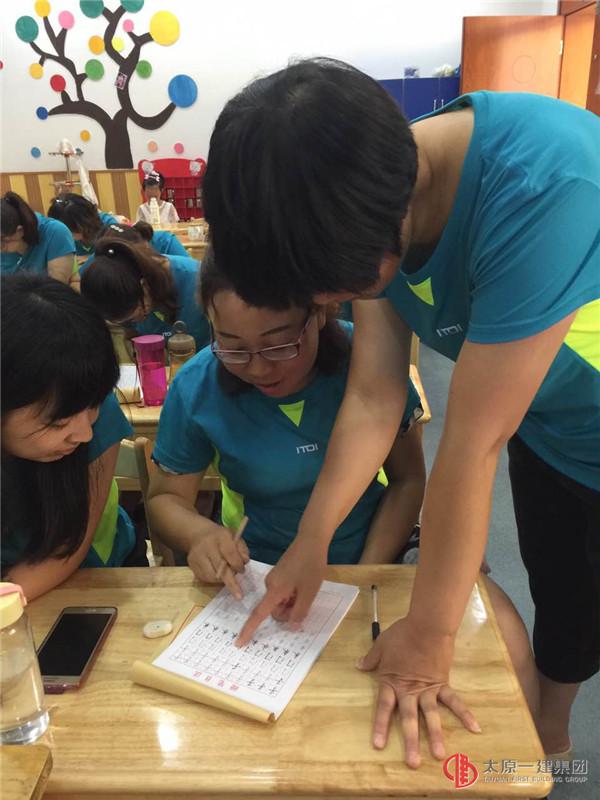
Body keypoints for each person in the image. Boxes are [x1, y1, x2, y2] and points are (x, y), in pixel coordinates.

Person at [202, 59, 600, 764]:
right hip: (549, 423)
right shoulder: (363, 193)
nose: (329, 305)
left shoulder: (545, 184)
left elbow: (472, 443)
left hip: (573, 410)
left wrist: (430, 635)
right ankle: (554, 731)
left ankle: (551, 735)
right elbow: (373, 395)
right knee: (566, 592)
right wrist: (312, 540)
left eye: (332, 291)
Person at [146, 250, 539, 713]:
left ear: (320, 312)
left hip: (381, 552)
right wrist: (200, 534)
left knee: (505, 638)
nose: (258, 367)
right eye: (232, 347)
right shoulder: (197, 386)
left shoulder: (369, 362)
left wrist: (363, 574)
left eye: (279, 345)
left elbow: (408, 481)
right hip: (260, 570)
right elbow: (165, 499)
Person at [1, 274, 147, 601]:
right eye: (57, 423)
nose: (84, 434)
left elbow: (66, 549)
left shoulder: (92, 408)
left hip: (94, 574)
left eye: (93, 406)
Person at [80, 237, 209, 350]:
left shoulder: (197, 280)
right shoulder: (119, 295)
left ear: (144, 286)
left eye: (132, 319)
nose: (134, 322)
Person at [0, 192, 75, 283]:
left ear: (20, 231)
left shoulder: (55, 232)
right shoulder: (8, 240)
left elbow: (57, 286)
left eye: (3, 240)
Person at [48, 193, 118, 261]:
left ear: (82, 225)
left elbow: (118, 256)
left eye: (67, 231)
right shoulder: (58, 235)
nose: (62, 235)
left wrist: (89, 258)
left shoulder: (109, 226)